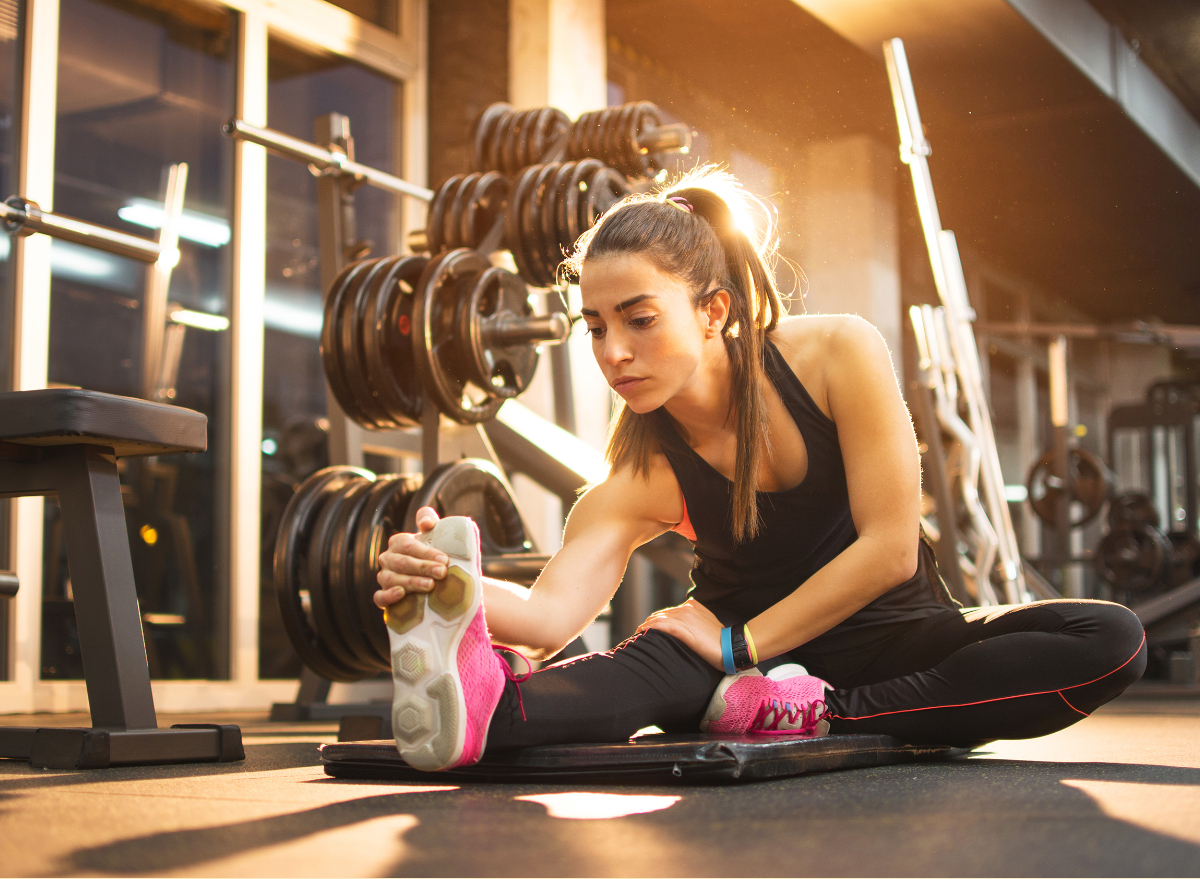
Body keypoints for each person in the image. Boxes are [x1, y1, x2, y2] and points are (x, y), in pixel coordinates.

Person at [374, 168, 1146, 772]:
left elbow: (890, 550)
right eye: (597, 326)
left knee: (1107, 636)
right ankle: (485, 695)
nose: (613, 351)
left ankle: (819, 713)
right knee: (549, 706)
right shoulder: (640, 473)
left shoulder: (839, 352)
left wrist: (743, 650)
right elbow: (548, 616)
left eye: (640, 319)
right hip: (726, 661)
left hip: (883, 646)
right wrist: (451, 585)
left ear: (713, 311)